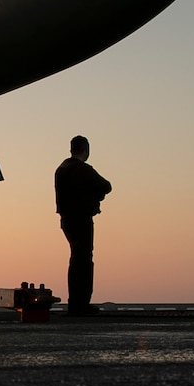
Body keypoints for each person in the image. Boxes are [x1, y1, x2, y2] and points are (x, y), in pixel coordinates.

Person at [54, 135, 112, 315]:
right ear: (86, 150)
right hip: (81, 219)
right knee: (84, 260)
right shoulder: (83, 169)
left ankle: (75, 303)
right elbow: (106, 186)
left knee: (76, 259)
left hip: (67, 219)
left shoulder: (61, 169)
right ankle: (81, 304)